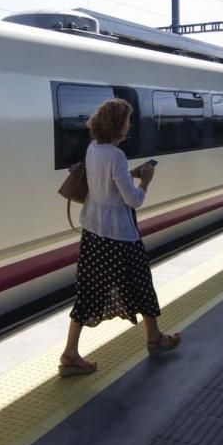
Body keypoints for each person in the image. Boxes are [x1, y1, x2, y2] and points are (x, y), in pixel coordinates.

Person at [59, 98, 179, 377]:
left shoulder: (93, 149)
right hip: (119, 237)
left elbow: (104, 182)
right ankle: (155, 338)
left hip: (94, 233)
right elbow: (133, 200)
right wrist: (145, 181)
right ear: (117, 125)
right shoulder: (116, 156)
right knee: (141, 284)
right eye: (127, 121)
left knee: (88, 291)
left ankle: (70, 353)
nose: (130, 125)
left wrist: (130, 173)